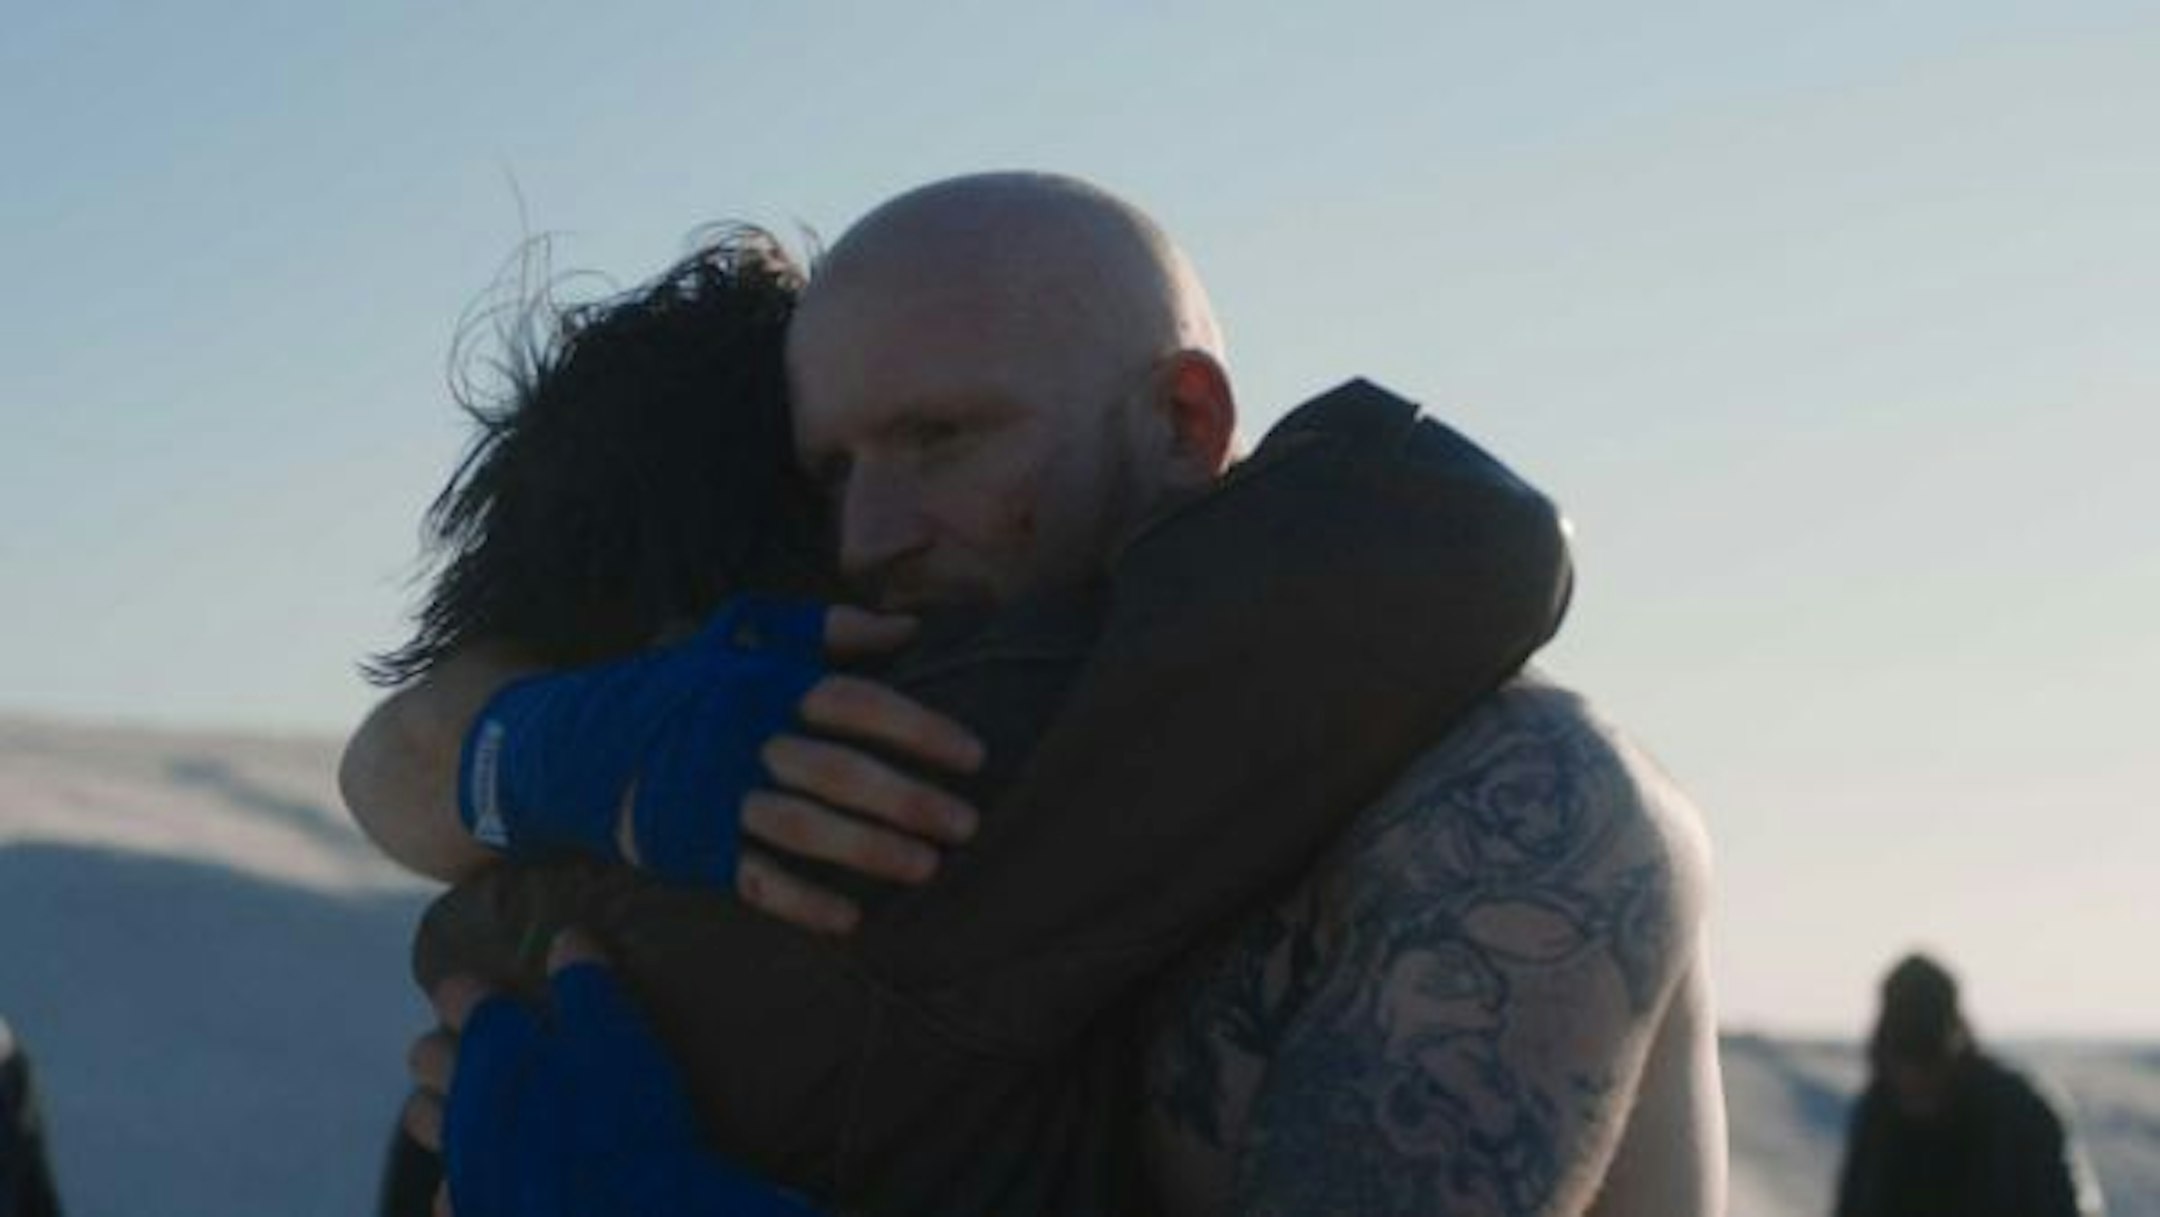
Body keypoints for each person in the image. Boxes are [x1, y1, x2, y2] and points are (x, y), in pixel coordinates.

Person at [353, 172, 1723, 1215]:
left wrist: (514, 748)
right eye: (831, 475)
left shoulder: (1481, 797)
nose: (870, 536)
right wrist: (539, 742)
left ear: (1186, 422)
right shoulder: (750, 817)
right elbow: (403, 753)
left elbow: (1455, 549)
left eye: (942, 438)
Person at [1834, 953, 2102, 1217]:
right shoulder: (1878, 1115)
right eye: (1903, 1058)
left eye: (1926, 1058)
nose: (1915, 1079)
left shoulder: (2021, 1115)